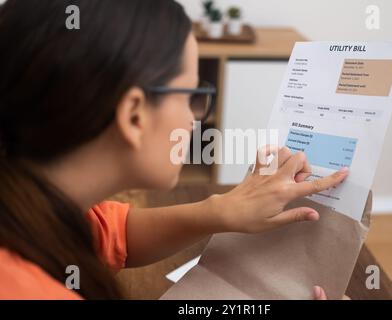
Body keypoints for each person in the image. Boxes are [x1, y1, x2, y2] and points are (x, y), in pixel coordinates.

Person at [0, 0, 348, 299]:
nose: (193, 121)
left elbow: (111, 234)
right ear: (134, 114)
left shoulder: (35, 203)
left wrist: (221, 210)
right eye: (191, 96)